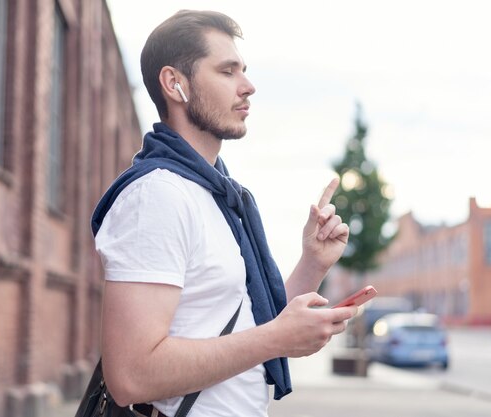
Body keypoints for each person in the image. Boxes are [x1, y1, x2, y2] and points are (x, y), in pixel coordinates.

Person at [92, 9, 356, 417]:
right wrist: (276, 339)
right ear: (175, 83)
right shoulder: (158, 196)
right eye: (228, 71)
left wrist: (312, 263)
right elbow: (131, 375)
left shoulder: (215, 193)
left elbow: (248, 322)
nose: (248, 87)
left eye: (244, 71)